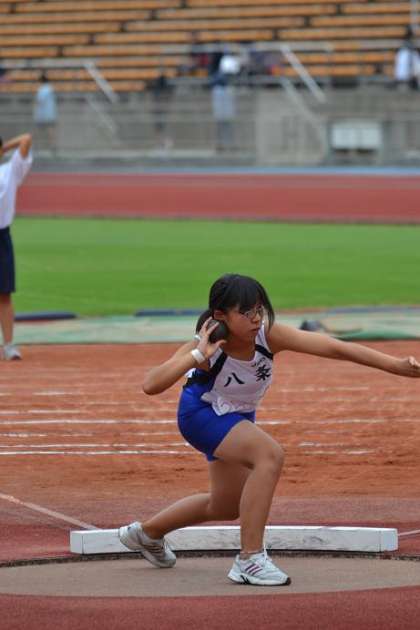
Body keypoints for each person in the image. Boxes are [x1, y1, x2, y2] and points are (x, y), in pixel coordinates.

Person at [118, 273, 420, 586]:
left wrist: (395, 365)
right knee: (269, 455)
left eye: (259, 309)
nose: (256, 318)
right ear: (220, 315)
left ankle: (147, 533)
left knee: (225, 505)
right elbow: (151, 384)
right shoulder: (207, 347)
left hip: (237, 416)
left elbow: (334, 348)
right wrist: (197, 355)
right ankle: (249, 559)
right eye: (245, 312)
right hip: (202, 415)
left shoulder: (268, 335)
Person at [0, 133, 33, 360]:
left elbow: (26, 139)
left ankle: (9, 345)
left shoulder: (10, 170)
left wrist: (4, 147)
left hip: (2, 236)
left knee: (4, 294)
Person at [33, 72, 57, 153]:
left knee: (38, 131)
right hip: (51, 114)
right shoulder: (50, 88)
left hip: (43, 114)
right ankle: (52, 146)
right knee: (50, 130)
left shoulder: (42, 89)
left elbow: (40, 101)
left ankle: (36, 147)